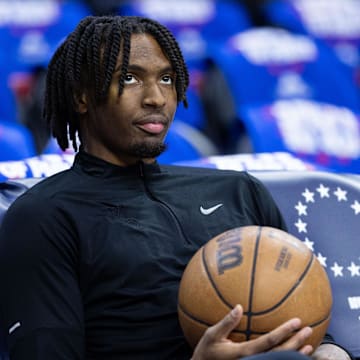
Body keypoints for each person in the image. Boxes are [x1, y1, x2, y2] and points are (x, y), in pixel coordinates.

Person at [0, 15, 353, 360]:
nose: (157, 98)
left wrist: (329, 349)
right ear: (81, 97)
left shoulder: (241, 192)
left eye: (167, 79)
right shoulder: (43, 216)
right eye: (130, 78)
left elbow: (307, 319)